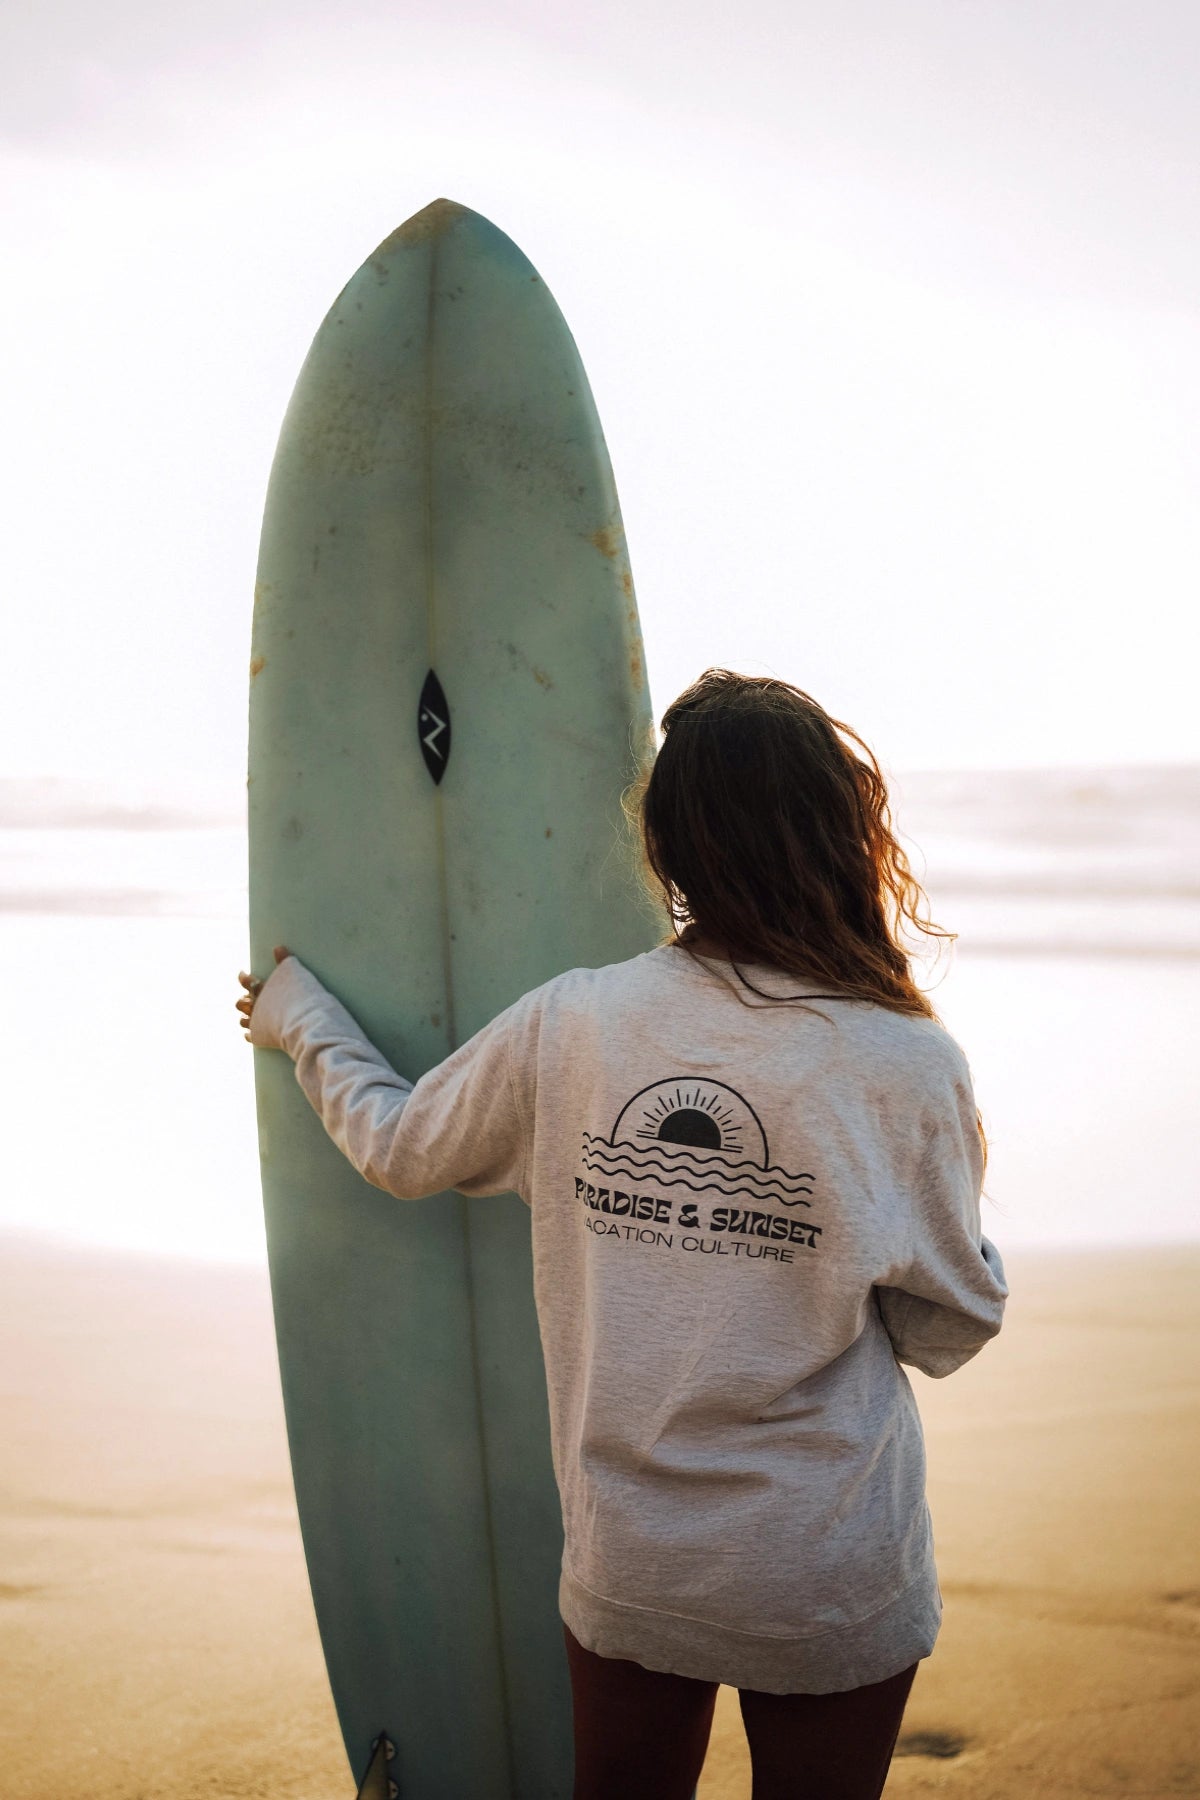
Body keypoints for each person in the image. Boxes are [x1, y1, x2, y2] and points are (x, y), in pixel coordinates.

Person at [236, 668, 1008, 1800]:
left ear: (670, 848)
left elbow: (401, 1150)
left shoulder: (575, 1022)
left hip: (638, 1556)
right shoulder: (905, 1064)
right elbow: (950, 1329)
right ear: (844, 833)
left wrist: (307, 1024)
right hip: (828, 1564)